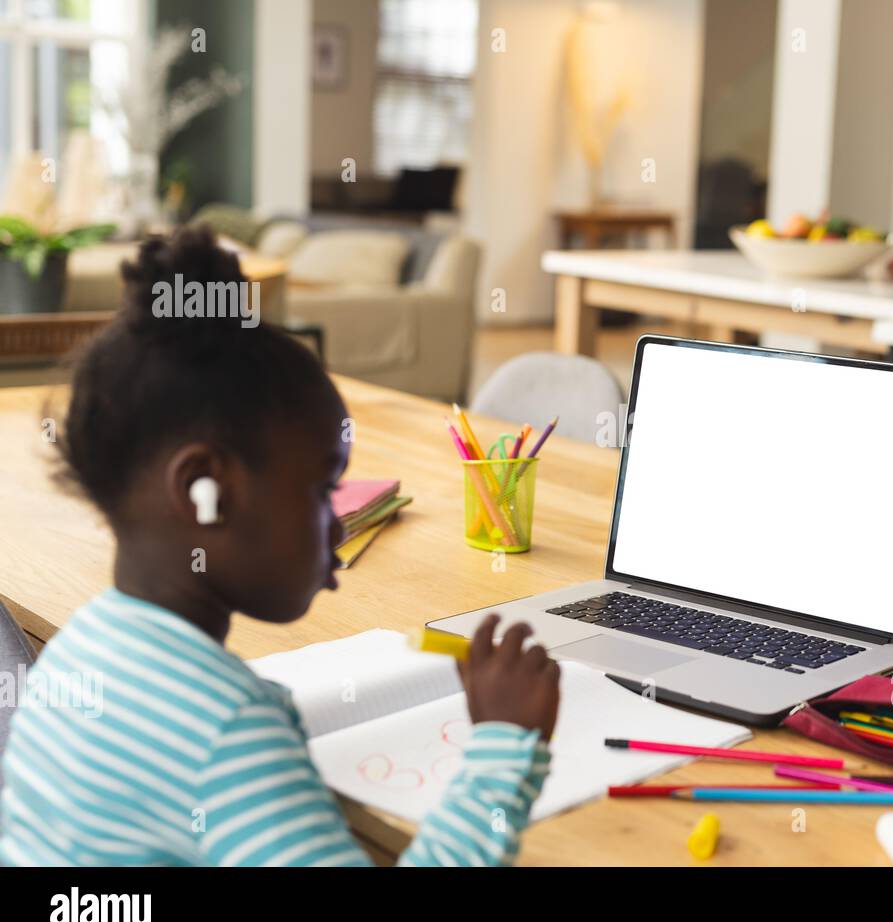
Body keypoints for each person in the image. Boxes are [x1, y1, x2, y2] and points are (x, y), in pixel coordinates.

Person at [0, 227, 560, 866]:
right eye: (323, 488)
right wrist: (504, 748)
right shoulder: (227, 732)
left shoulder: (79, 651)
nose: (340, 524)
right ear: (203, 490)